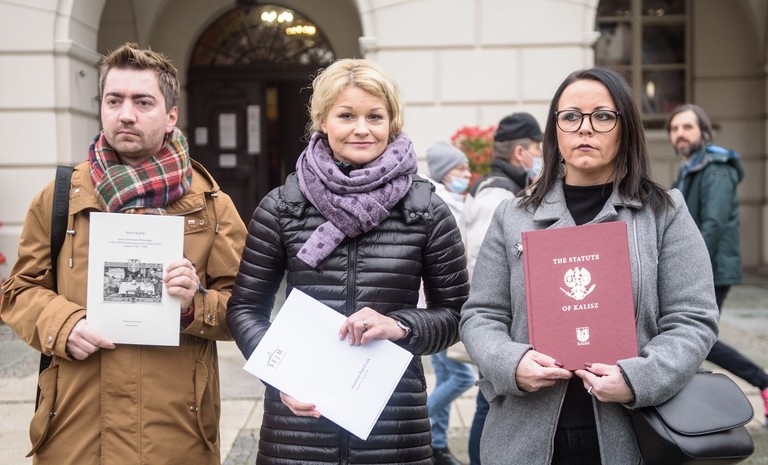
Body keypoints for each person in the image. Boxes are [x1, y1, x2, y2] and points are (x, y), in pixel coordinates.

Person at [0, 43, 247, 464]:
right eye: (114, 100)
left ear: (171, 116)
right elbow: (18, 290)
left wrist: (194, 305)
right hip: (76, 432)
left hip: (176, 433)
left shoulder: (212, 206)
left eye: (143, 102)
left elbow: (243, 309)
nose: (126, 114)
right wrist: (62, 324)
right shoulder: (60, 197)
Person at [459, 67, 720, 465]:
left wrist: (639, 379)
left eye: (602, 116)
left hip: (633, 431)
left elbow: (693, 318)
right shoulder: (513, 216)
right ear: (555, 130)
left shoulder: (664, 213)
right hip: (526, 433)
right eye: (570, 116)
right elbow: (481, 315)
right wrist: (510, 363)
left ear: (625, 127)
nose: (585, 128)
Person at [225, 58, 469, 465]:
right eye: (346, 115)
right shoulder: (283, 207)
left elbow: (457, 314)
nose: (362, 128)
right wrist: (279, 375)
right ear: (322, 120)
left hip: (394, 426)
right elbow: (246, 307)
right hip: (298, 426)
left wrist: (401, 326)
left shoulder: (425, 209)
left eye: (375, 116)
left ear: (392, 122)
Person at [666, 103, 768, 426]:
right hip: (700, 266)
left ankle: (762, 382)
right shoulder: (690, 168)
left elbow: (713, 223)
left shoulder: (716, 168)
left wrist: (687, 267)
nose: (680, 134)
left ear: (704, 131)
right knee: (693, 338)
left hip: (712, 267)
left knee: (698, 338)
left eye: (687, 127)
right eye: (675, 129)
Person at [460, 112, 543, 465]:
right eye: (538, 149)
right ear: (521, 153)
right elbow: (483, 264)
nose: (541, 157)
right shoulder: (498, 195)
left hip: (505, 326)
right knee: (489, 402)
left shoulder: (506, 188)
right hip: (500, 327)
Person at [422, 141, 476, 465]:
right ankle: (417, 422)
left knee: (445, 375)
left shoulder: (455, 202)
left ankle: (438, 445)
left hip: (443, 305)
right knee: (461, 377)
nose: (467, 174)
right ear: (444, 173)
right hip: (440, 307)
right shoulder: (442, 205)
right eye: (460, 168)